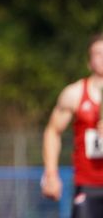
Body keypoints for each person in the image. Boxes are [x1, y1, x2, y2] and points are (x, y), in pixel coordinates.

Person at [42, 34, 103, 217]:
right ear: (89, 61)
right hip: (88, 184)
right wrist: (51, 174)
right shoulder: (74, 93)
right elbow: (52, 131)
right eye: (98, 54)